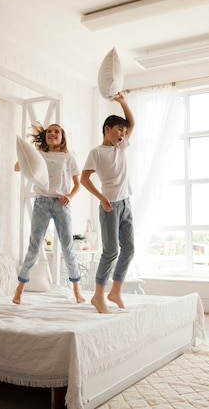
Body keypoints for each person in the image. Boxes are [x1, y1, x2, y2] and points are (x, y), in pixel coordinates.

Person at [12, 123, 85, 304]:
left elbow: (78, 185)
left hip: (62, 204)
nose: (52, 133)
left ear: (62, 137)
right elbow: (17, 167)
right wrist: (30, 155)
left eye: (57, 131)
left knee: (68, 249)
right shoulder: (40, 155)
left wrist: (69, 196)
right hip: (42, 203)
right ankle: (19, 290)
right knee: (34, 248)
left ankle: (77, 291)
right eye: (49, 132)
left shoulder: (69, 158)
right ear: (45, 137)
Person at [80, 93, 135, 314]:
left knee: (129, 249)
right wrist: (102, 198)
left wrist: (122, 102)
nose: (122, 133)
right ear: (107, 130)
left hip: (126, 204)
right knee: (111, 251)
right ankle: (98, 296)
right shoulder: (96, 153)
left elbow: (132, 122)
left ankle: (116, 291)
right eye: (118, 130)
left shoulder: (121, 147)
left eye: (124, 131)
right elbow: (84, 179)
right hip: (110, 206)